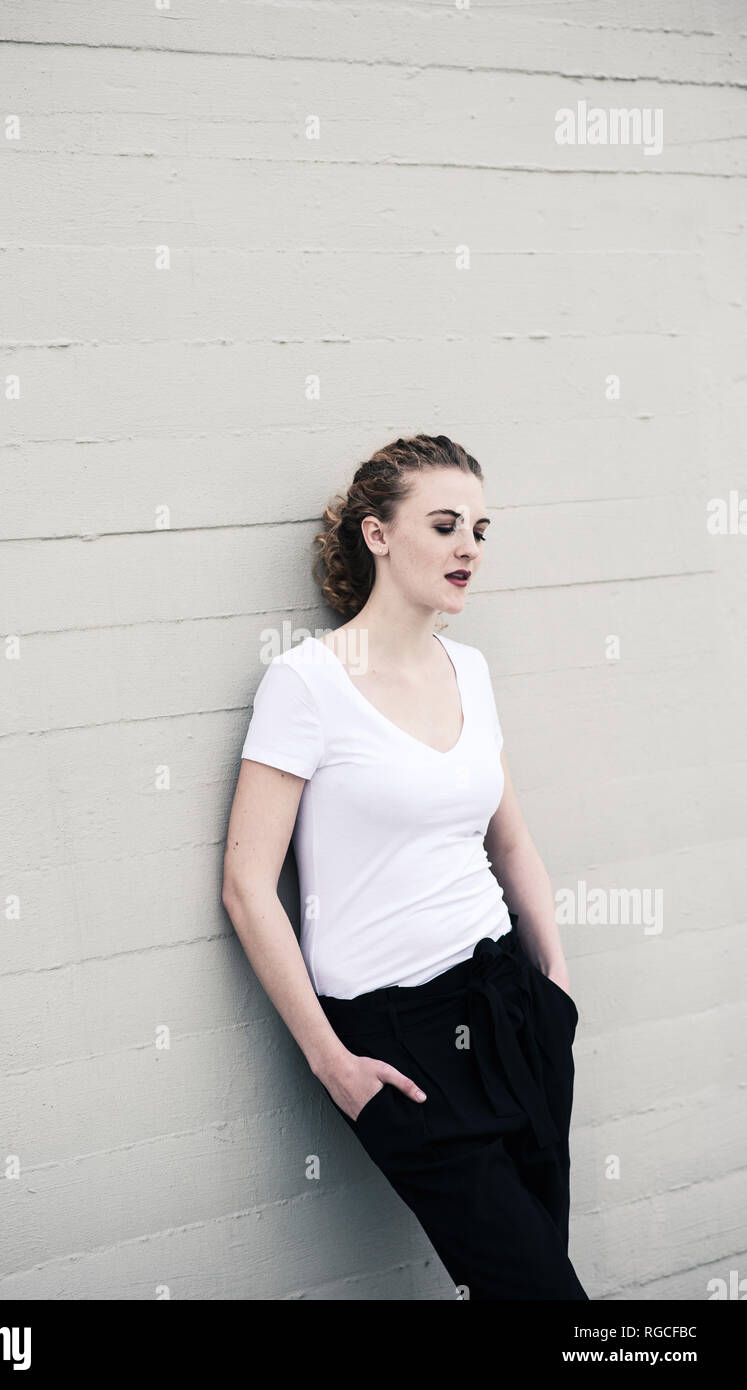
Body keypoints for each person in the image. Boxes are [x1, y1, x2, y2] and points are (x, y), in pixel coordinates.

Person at [222, 433, 588, 1300]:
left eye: (481, 528)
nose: (469, 546)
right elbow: (246, 886)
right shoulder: (305, 683)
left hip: (511, 1007)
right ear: (376, 535)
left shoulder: (469, 668)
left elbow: (509, 840)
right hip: (398, 1043)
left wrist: (555, 985)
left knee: (536, 1272)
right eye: (445, 524)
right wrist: (330, 1062)